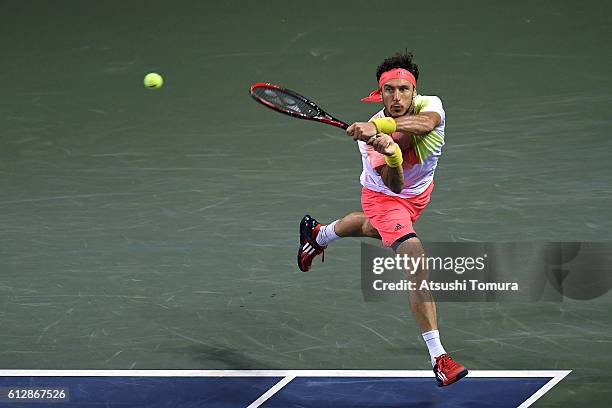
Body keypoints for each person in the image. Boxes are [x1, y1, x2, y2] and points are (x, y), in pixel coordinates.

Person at [297, 51, 468, 387]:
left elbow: (427, 124)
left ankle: (318, 235)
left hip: (419, 196)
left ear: (414, 92)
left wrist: (381, 127)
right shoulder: (369, 143)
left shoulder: (430, 105)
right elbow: (395, 184)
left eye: (404, 89)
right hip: (385, 197)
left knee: (368, 228)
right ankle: (439, 358)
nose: (397, 96)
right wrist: (389, 153)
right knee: (414, 256)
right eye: (389, 90)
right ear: (380, 94)